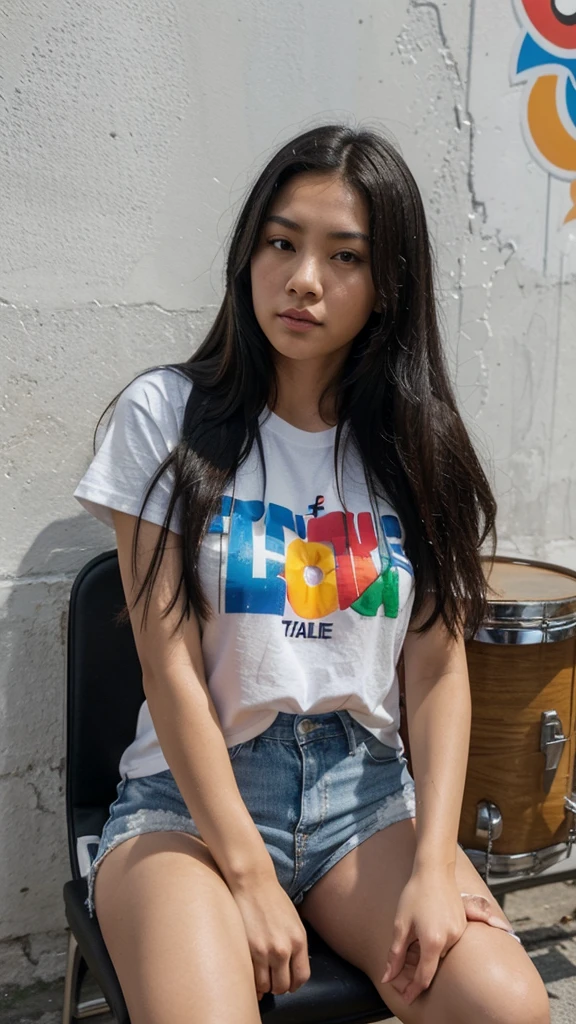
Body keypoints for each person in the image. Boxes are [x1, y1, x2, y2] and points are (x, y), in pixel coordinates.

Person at [73, 124, 550, 1024]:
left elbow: (438, 668)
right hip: (190, 803)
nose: (303, 279)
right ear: (248, 252)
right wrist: (247, 872)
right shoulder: (164, 415)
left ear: (386, 287)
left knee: (507, 1007)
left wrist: (439, 860)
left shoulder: (415, 444)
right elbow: (167, 666)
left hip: (364, 795)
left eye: (344, 257)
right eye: (282, 243)